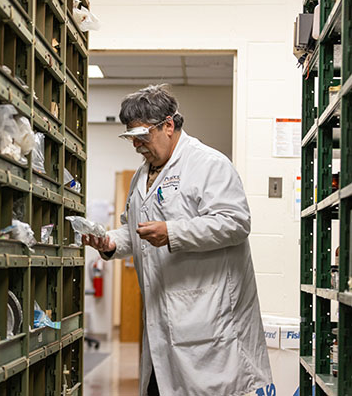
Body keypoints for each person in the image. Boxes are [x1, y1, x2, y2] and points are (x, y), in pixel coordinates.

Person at [83, 84, 272, 396]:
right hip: (162, 323)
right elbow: (136, 230)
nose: (136, 145)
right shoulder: (142, 175)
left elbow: (236, 222)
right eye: (131, 137)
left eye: (142, 135)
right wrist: (111, 243)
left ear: (168, 125)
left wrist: (172, 232)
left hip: (209, 323)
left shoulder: (208, 164)